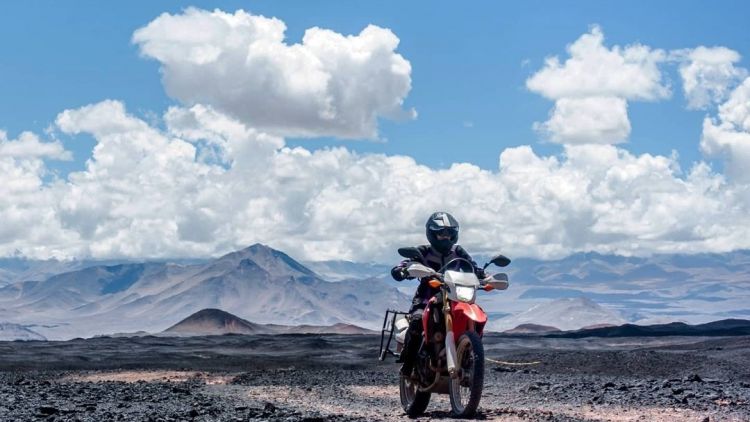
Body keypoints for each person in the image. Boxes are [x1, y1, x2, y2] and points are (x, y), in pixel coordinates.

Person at [390, 211, 486, 377]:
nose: (445, 237)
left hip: (455, 296)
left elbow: (473, 267)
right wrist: (403, 270)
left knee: (474, 315)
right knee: (417, 320)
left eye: (449, 233)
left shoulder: (458, 252)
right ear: (432, 234)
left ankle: (469, 357)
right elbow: (404, 264)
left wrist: (483, 275)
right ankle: (408, 365)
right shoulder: (423, 251)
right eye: (441, 233)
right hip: (427, 297)